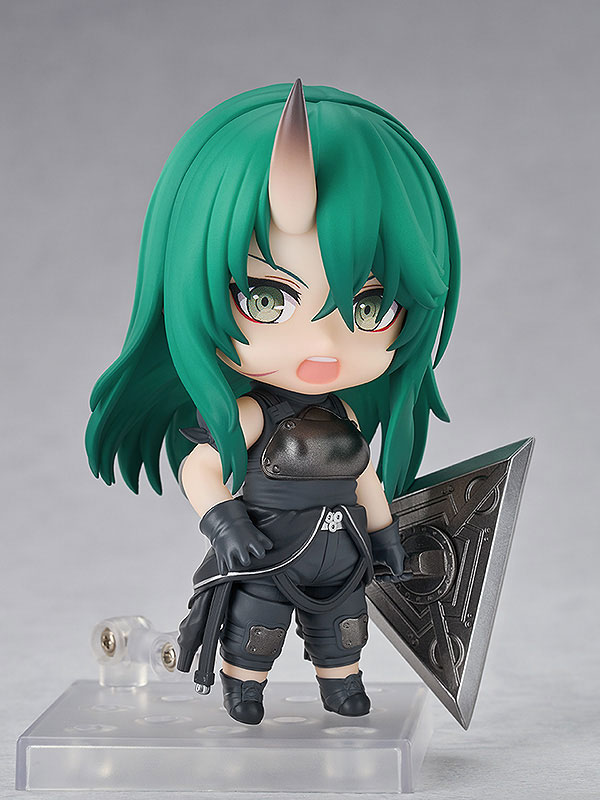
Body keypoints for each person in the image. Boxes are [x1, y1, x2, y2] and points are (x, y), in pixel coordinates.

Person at [86, 80, 459, 725]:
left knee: (342, 632)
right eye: (267, 299)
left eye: (370, 307)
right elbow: (201, 468)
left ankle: (341, 686)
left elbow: (365, 478)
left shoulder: (344, 415)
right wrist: (227, 527)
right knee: (254, 631)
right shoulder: (257, 415)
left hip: (341, 553)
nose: (323, 344)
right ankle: (244, 687)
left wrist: (385, 535)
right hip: (268, 552)